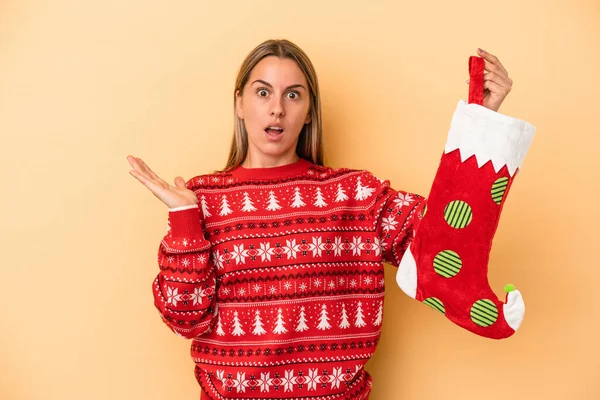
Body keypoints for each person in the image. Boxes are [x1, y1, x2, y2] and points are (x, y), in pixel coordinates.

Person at [127, 39, 535, 399]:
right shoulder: (202, 198)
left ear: (308, 112)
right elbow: (185, 318)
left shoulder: (355, 195)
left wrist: (482, 124)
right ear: (239, 103)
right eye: (263, 92)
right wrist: (184, 219)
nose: (276, 108)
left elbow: (435, 241)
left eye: (293, 95)